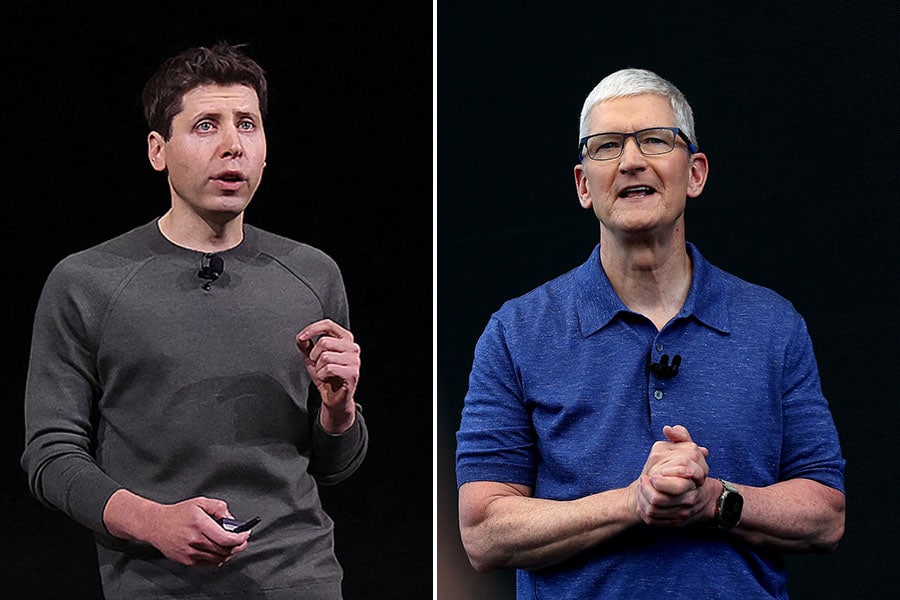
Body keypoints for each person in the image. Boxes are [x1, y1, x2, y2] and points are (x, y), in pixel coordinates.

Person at [455, 68, 845, 599]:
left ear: (695, 173)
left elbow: (826, 514)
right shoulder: (516, 332)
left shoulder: (774, 325)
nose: (631, 160)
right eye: (607, 146)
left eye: (655, 140)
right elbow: (483, 533)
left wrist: (713, 499)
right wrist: (633, 501)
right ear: (582, 185)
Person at [21, 43, 367, 600]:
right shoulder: (88, 281)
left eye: (248, 125)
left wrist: (339, 409)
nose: (233, 146)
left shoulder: (312, 274)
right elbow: (50, 456)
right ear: (158, 150)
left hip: (299, 580)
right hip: (158, 585)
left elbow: (335, 468)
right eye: (207, 125)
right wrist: (153, 522)